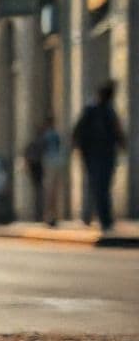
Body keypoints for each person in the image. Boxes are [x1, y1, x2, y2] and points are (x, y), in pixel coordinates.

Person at [73, 81, 126, 232]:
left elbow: (117, 131)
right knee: (97, 186)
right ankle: (99, 218)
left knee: (103, 186)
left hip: (107, 154)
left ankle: (103, 219)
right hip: (93, 155)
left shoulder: (109, 110)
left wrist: (122, 144)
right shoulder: (91, 109)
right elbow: (78, 131)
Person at [38, 116, 64, 227]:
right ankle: (53, 216)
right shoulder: (56, 135)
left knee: (49, 191)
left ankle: (49, 216)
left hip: (49, 162)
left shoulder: (46, 135)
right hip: (57, 162)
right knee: (54, 191)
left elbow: (42, 149)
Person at [23, 129, 45, 222]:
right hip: (39, 172)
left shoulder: (33, 145)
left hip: (36, 172)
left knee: (37, 194)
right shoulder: (40, 145)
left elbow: (27, 157)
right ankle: (38, 214)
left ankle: (37, 214)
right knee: (39, 194)